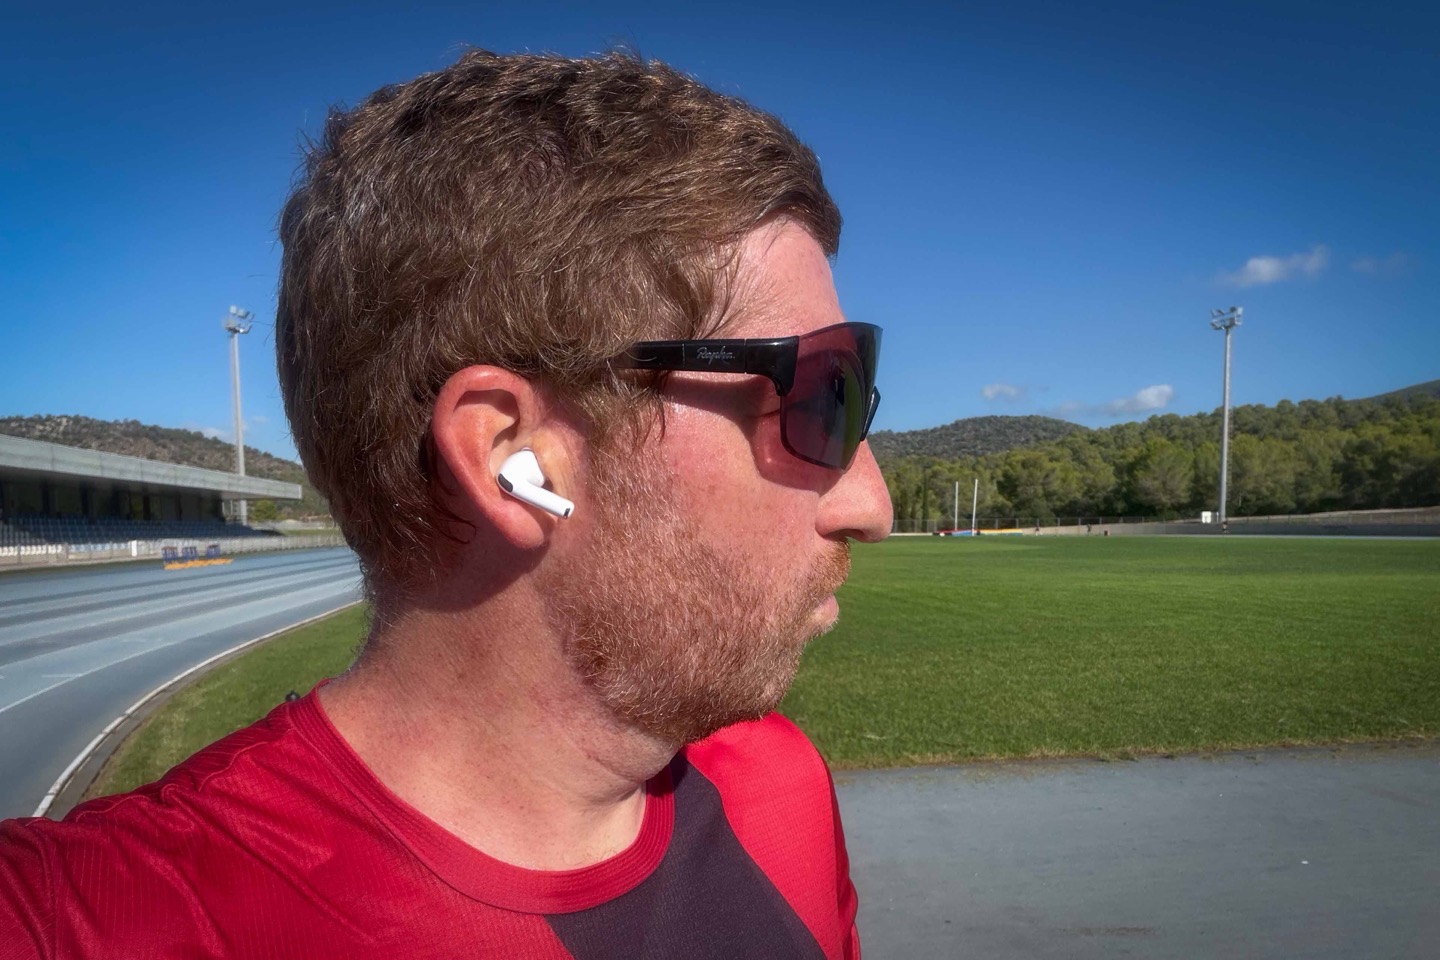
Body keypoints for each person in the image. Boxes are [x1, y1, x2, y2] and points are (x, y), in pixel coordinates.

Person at [0, 50, 891, 959]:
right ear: (513, 457)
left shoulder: (777, 786)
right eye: (820, 399)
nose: (873, 506)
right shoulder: (97, 919)